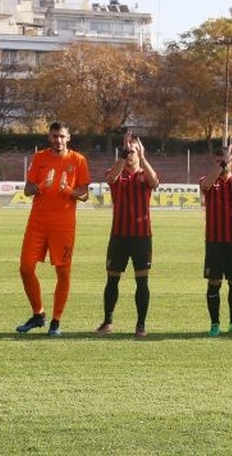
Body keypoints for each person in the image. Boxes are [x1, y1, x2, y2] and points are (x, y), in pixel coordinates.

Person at [16, 121, 91, 336]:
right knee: (26, 268)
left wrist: (69, 190)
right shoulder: (39, 158)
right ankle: (38, 314)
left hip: (63, 226)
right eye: (55, 136)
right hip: (37, 223)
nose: (58, 140)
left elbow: (84, 194)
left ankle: (56, 321)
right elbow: (28, 190)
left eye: (62, 136)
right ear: (49, 137)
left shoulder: (78, 160)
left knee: (63, 273)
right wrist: (40, 186)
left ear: (68, 138)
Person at [96, 132, 159, 338]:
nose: (129, 154)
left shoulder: (144, 174)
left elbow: (154, 182)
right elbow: (110, 177)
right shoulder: (117, 173)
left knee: (142, 282)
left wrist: (143, 158)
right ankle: (108, 321)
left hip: (142, 237)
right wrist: (123, 154)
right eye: (127, 151)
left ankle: (140, 325)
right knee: (112, 279)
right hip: (119, 236)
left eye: (133, 151)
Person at [199, 140, 232, 337]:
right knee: (214, 282)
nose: (220, 164)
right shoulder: (208, 180)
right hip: (214, 241)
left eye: (223, 161)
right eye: (216, 161)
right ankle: (214, 323)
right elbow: (205, 184)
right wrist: (222, 163)